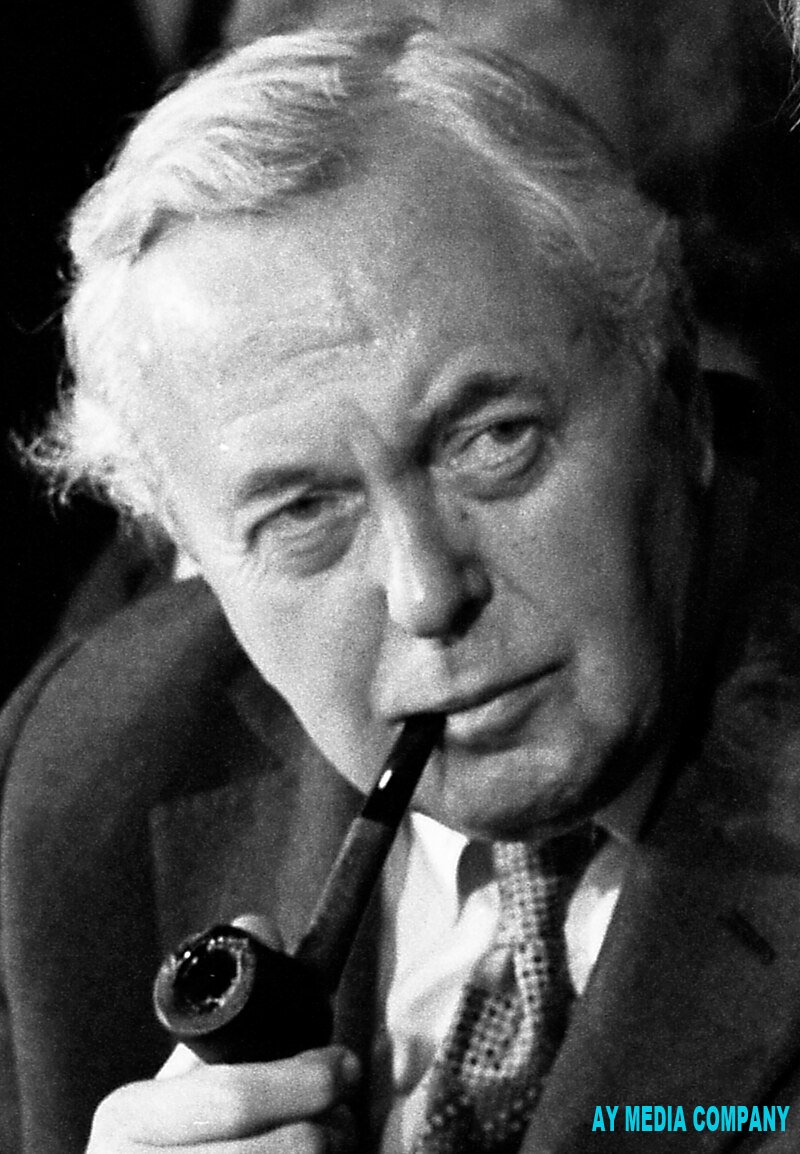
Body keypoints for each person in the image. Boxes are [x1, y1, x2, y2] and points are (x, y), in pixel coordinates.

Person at [2, 18, 800, 1154]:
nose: (427, 596)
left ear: (671, 380)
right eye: (303, 513)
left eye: (493, 441)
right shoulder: (85, 772)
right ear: (184, 544)